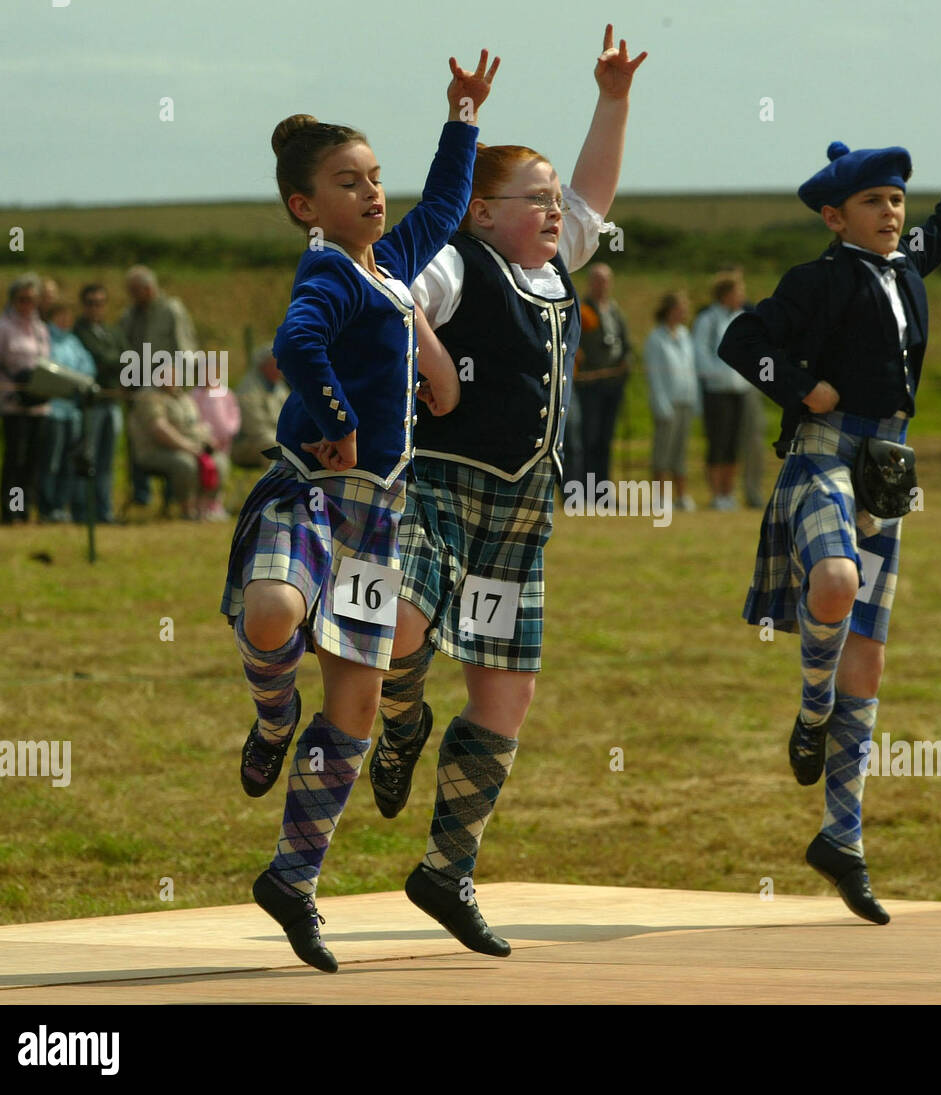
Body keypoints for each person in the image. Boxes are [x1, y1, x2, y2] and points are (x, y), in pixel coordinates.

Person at [718, 54, 941, 924]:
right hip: (820, 454)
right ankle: (810, 714)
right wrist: (800, 385)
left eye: (896, 202)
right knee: (833, 583)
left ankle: (841, 837)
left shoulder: (906, 265)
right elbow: (739, 340)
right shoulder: (818, 279)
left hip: (890, 466)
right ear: (833, 213)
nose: (894, 213)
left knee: (870, 658)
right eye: (876, 202)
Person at [374, 25, 644, 957]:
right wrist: (435, 361)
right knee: (402, 623)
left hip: (523, 517)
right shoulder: (460, 260)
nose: (554, 207)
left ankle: (447, 870)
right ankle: (400, 715)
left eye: (552, 198)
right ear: (481, 212)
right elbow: (393, 289)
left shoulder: (555, 264)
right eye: (534, 197)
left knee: (505, 698)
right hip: (444, 491)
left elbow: (597, 188)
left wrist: (611, 97)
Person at [220, 56, 491, 975]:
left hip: (381, 518)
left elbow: (446, 207)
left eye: (376, 177)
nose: (372, 192)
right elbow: (294, 342)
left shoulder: (393, 265)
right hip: (310, 492)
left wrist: (462, 117)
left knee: (358, 715)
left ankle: (292, 882)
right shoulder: (331, 275)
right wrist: (336, 421)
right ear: (306, 207)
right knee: (271, 613)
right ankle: (267, 720)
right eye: (348, 181)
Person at [120, 265, 199, 508]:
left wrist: (177, 383)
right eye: (130, 291)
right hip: (136, 386)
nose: (132, 296)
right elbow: (123, 346)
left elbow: (185, 348)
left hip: (166, 386)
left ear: (149, 288)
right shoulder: (129, 314)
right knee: (139, 439)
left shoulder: (171, 309)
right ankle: (140, 495)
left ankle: (173, 498)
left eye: (136, 290)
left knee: (171, 435)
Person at [0, 274, 51, 525]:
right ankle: (9, 512)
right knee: (15, 458)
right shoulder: (1, 328)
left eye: (32, 300)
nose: (27, 305)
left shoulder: (40, 329)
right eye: (22, 299)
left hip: (37, 405)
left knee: (33, 461)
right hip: (12, 404)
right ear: (12, 300)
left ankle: (24, 511)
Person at [693, 270, 751, 510]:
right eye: (738, 291)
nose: (742, 295)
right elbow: (701, 353)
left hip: (739, 389)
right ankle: (716, 493)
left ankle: (729, 493)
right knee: (717, 441)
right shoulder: (708, 318)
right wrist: (717, 374)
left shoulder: (741, 317)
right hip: (716, 391)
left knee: (733, 443)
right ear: (726, 293)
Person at [127, 382, 226, 519]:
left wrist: (207, 440)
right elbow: (160, 430)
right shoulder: (148, 396)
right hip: (155, 451)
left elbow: (196, 424)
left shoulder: (183, 397)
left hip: (190, 448)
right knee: (185, 463)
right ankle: (187, 510)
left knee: (219, 460)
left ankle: (206, 508)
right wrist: (188, 447)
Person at [72, 283, 128, 524]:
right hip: (90, 405)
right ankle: (84, 511)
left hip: (112, 403)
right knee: (88, 457)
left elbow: (128, 358)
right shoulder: (78, 332)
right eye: (91, 303)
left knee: (107, 460)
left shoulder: (112, 331)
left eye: (100, 302)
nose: (96, 307)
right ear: (83, 305)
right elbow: (99, 359)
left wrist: (113, 361)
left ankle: (104, 511)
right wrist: (114, 361)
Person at [573, 263, 631, 486]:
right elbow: (573, 340)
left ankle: (603, 490)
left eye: (606, 280)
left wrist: (626, 358)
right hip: (589, 384)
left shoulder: (614, 310)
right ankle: (585, 489)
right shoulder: (582, 309)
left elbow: (625, 340)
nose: (602, 285)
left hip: (613, 384)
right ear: (590, 282)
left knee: (606, 440)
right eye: (598, 280)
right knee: (590, 438)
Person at [38, 299, 96, 523]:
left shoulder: (73, 342)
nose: (65, 321)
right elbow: (49, 370)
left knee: (68, 463)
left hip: (72, 412)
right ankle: (46, 507)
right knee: (50, 462)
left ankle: (61, 507)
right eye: (60, 316)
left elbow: (87, 369)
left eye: (67, 316)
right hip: (53, 410)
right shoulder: (46, 339)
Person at [645, 290, 699, 511]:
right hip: (668, 404)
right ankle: (660, 499)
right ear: (669, 311)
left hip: (685, 402)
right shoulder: (656, 338)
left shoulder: (686, 335)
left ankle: (682, 496)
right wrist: (661, 404)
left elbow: (691, 369)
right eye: (680, 308)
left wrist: (696, 399)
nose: (684, 313)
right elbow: (655, 376)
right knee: (663, 454)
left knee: (680, 453)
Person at [191, 372, 241, 519]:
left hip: (225, 444)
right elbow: (195, 421)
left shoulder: (226, 393)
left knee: (223, 471)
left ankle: (216, 505)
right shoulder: (194, 395)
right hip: (205, 445)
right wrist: (208, 439)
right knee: (209, 471)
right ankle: (203, 506)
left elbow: (234, 416)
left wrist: (228, 433)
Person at [231, 344, 290, 468]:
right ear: (263, 366)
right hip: (248, 444)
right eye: (276, 364)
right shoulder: (248, 390)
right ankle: (277, 482)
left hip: (275, 436)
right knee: (273, 445)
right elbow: (255, 429)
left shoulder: (279, 387)